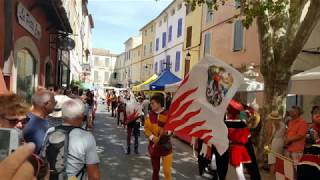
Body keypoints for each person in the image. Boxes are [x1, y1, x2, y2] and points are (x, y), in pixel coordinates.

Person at [42, 99, 100, 180]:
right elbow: (94, 175)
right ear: (81, 116)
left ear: (62, 115)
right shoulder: (86, 137)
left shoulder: (50, 131)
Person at [144, 93, 173, 180]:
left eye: (153, 103)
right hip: (154, 148)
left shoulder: (167, 114)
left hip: (166, 147)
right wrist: (153, 137)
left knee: (167, 171)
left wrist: (167, 132)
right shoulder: (149, 115)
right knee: (155, 170)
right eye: (151, 103)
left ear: (159, 103)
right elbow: (146, 130)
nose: (151, 105)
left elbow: (172, 128)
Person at [266, 111, 286, 176]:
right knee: (278, 160)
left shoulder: (271, 123)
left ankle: (271, 177)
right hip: (281, 142)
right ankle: (277, 176)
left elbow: (269, 135)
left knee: (272, 162)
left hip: (274, 142)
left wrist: (267, 144)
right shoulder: (283, 124)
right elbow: (284, 134)